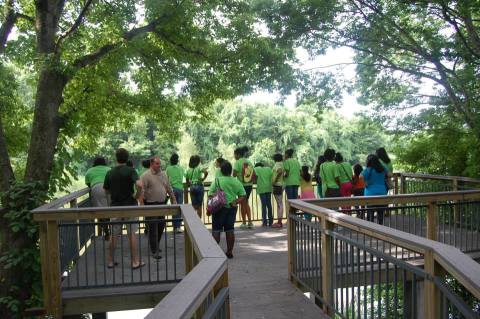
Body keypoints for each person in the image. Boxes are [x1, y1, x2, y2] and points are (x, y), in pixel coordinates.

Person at [103, 148, 144, 269]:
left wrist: (114, 193)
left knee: (114, 235)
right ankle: (135, 262)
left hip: (115, 207)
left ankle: (110, 261)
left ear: (116, 158)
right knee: (131, 234)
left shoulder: (110, 172)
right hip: (130, 206)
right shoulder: (131, 170)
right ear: (127, 158)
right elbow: (140, 185)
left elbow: (105, 189)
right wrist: (137, 195)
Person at [207, 161, 246, 259]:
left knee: (216, 230)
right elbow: (243, 195)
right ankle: (229, 252)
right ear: (231, 171)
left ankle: (215, 253)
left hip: (218, 209)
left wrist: (209, 207)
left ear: (221, 171)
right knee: (230, 230)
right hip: (231, 209)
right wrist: (236, 201)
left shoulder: (217, 181)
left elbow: (210, 195)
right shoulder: (236, 181)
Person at [141, 156, 177, 259]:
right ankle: (154, 250)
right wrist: (142, 205)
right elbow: (141, 191)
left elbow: (169, 187)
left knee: (161, 225)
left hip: (162, 204)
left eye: (159, 163)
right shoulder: (145, 175)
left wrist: (174, 199)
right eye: (157, 163)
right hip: (150, 205)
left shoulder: (163, 174)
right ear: (151, 164)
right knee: (152, 227)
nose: (159, 165)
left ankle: (155, 244)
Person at [85, 157, 111, 239]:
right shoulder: (109, 169)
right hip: (109, 188)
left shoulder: (90, 170)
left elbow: (88, 184)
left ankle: (106, 230)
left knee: (100, 211)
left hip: (96, 188)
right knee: (111, 209)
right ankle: (112, 230)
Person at [361, 154, 388, 224]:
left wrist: (365, 184)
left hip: (370, 195)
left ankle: (371, 230)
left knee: (370, 215)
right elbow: (390, 174)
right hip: (382, 194)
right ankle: (380, 228)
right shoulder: (382, 169)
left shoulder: (368, 170)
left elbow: (360, 176)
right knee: (380, 214)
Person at [233, 147, 254, 230]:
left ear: (238, 154)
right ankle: (250, 222)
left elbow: (234, 174)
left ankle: (245, 223)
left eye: (234, 154)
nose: (234, 156)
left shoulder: (237, 162)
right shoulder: (249, 162)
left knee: (242, 204)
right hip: (249, 185)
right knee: (246, 203)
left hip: (242, 186)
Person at [166, 153, 184, 233]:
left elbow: (167, 179)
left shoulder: (168, 169)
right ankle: (178, 226)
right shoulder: (181, 168)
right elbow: (182, 176)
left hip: (172, 190)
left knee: (174, 208)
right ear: (177, 160)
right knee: (179, 208)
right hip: (180, 189)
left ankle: (174, 226)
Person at [254, 163, 273, 227]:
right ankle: (271, 221)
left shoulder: (256, 169)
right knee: (269, 205)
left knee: (263, 205)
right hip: (269, 188)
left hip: (262, 189)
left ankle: (264, 222)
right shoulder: (268, 168)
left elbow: (254, 176)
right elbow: (272, 176)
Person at [271, 153, 284, 228]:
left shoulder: (277, 164)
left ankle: (279, 222)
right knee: (280, 203)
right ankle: (279, 221)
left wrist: (275, 181)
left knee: (279, 204)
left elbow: (279, 172)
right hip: (280, 184)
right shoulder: (282, 164)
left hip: (277, 185)